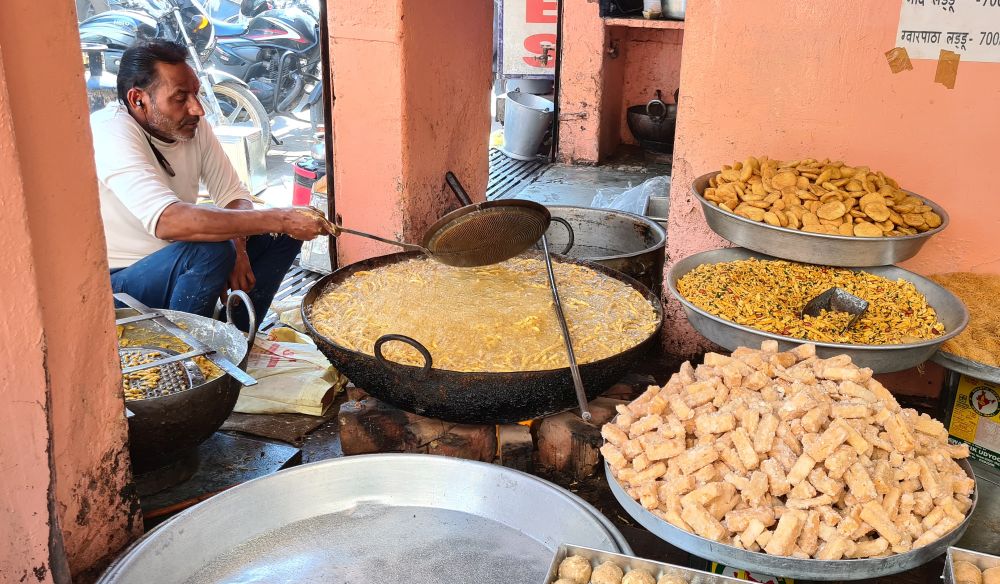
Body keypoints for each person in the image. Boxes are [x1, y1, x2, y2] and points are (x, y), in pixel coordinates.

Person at [92, 40, 327, 330]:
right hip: (122, 283)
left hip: (181, 261)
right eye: (180, 98)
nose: (197, 109)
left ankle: (238, 339)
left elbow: (233, 196)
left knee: (283, 235)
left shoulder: (192, 125)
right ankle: (191, 359)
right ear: (137, 99)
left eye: (196, 94)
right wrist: (281, 217)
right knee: (212, 250)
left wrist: (240, 246)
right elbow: (168, 221)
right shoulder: (110, 132)